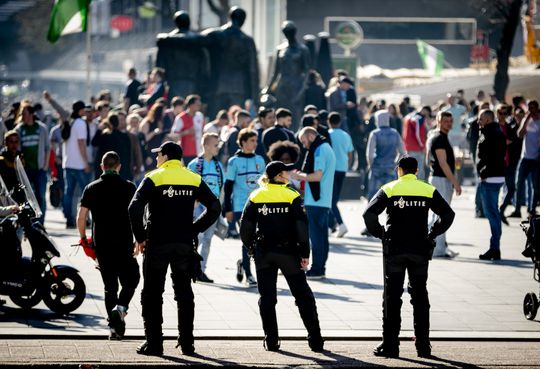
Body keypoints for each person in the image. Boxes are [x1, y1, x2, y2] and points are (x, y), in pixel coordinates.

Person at [129, 141, 220, 356]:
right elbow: (214, 207)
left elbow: (134, 207)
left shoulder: (154, 177)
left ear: (166, 156)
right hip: (183, 244)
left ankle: (154, 344)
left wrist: (140, 237)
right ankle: (187, 343)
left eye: (158, 155)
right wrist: (194, 229)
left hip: (157, 243)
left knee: (152, 294)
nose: (156, 158)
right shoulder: (193, 177)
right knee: (184, 293)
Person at [363, 156, 455, 358]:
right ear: (417, 172)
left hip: (394, 249)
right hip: (419, 250)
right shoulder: (427, 189)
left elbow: (369, 214)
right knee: (420, 296)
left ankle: (390, 345)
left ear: (399, 170)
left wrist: (382, 234)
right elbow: (448, 215)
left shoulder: (390, 188)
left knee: (391, 297)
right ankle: (423, 346)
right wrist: (433, 233)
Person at [240, 161, 324, 352]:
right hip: (288, 253)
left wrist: (252, 247)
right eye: (286, 171)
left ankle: (271, 340)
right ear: (279, 176)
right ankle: (315, 340)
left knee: (267, 298)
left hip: (264, 253)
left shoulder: (256, 195)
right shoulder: (292, 195)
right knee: (303, 296)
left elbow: (245, 227)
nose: (289, 173)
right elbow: (302, 228)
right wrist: (304, 253)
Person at [77, 151, 140, 340]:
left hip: (102, 243)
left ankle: (114, 328)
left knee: (109, 286)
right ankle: (121, 309)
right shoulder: (129, 187)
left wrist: (83, 238)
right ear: (119, 167)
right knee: (132, 278)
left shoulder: (91, 187)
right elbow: (138, 214)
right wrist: (139, 238)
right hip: (124, 242)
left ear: (102, 167)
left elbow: (81, 217)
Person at [291, 127, 335, 279]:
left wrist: (298, 176)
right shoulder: (326, 147)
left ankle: (317, 269)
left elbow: (317, 176)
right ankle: (320, 267)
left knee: (316, 237)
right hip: (323, 199)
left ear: (311, 135)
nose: (304, 145)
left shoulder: (319, 149)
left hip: (317, 199)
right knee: (321, 236)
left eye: (304, 141)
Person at [223, 128, 266, 286]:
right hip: (241, 206)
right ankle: (249, 274)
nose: (255, 143)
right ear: (243, 142)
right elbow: (228, 187)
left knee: (258, 240)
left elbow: (265, 184)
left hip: (259, 206)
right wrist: (227, 209)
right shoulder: (233, 162)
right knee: (247, 240)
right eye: (252, 141)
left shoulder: (260, 160)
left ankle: (243, 262)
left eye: (256, 140)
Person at [187, 133, 224, 283]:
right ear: (206, 146)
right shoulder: (194, 165)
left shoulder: (218, 165)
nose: (218, 148)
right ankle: (188, 263)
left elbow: (221, 187)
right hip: (197, 207)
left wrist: (220, 205)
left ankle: (201, 270)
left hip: (212, 208)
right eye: (215, 145)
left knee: (207, 239)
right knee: (197, 237)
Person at [262, 20, 310, 131]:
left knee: (295, 115)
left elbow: (307, 72)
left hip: (296, 86)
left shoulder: (303, 50)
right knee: (280, 114)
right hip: (282, 87)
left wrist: (302, 90)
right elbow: (275, 72)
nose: (288, 34)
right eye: (286, 32)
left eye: (290, 31)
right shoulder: (280, 49)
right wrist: (267, 88)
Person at [426, 111, 462, 258]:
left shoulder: (437, 137)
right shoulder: (439, 138)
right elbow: (442, 163)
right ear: (438, 121)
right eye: (445, 121)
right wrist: (455, 182)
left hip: (438, 178)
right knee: (440, 215)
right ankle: (434, 248)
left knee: (439, 215)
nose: (448, 123)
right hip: (441, 179)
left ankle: (441, 246)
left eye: (450, 121)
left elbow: (429, 160)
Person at [477, 110, 507, 260]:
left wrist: (483, 173)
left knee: (492, 214)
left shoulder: (489, 134)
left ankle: (495, 248)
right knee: (494, 214)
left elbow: (487, 157)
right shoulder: (497, 131)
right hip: (497, 176)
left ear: (488, 120)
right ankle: (495, 247)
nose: (478, 121)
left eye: (481, 119)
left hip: (490, 178)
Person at [14, 102, 50, 223]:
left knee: (40, 196)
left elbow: (47, 148)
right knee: (27, 197)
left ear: (31, 114)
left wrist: (45, 166)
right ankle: (29, 222)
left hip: (39, 169)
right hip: (25, 170)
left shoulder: (41, 128)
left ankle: (41, 222)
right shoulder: (19, 129)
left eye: (24, 113)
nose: (22, 115)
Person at [63, 101, 92, 229]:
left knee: (68, 193)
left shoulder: (70, 121)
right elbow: (81, 143)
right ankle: (84, 219)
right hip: (79, 164)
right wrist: (86, 162)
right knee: (86, 194)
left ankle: (69, 219)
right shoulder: (80, 123)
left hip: (68, 162)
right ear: (81, 110)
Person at [365, 110, 406, 201]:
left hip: (377, 167)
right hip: (391, 166)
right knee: (392, 195)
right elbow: (403, 152)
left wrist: (371, 165)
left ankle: (371, 213)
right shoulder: (395, 133)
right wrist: (396, 163)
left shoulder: (375, 133)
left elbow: (369, 154)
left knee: (373, 195)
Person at [511, 100, 540, 218]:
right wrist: (526, 120)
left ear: (537, 108)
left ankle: (532, 209)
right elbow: (519, 134)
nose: (531, 110)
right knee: (519, 183)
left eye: (533, 108)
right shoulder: (526, 120)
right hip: (525, 157)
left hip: (536, 159)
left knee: (535, 185)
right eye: (529, 108)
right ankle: (517, 209)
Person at [328, 112, 353, 237]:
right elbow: (350, 154)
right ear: (340, 122)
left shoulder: (328, 134)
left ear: (329, 121)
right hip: (342, 169)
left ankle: (340, 224)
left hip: (331, 170)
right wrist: (348, 165)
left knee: (331, 200)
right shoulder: (346, 135)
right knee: (334, 199)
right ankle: (332, 224)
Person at [402, 106, 430, 180]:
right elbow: (418, 134)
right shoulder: (419, 118)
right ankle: (419, 190)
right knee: (419, 171)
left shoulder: (408, 116)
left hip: (408, 147)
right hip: (417, 148)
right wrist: (422, 146)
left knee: (409, 171)